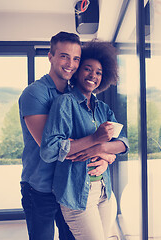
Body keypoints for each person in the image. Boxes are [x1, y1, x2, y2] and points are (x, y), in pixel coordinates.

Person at [18, 32, 110, 240]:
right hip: (40, 187)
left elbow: (82, 140)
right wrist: (96, 145)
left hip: (69, 186)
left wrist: (106, 157)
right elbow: (51, 148)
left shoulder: (77, 94)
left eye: (76, 58)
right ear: (50, 56)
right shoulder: (35, 93)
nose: (70, 64)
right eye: (64, 56)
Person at [40, 40, 129, 240]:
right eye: (88, 69)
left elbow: (123, 143)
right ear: (78, 71)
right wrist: (94, 138)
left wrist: (101, 151)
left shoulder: (103, 108)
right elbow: (49, 150)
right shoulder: (65, 103)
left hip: (104, 192)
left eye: (98, 72)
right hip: (77, 195)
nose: (93, 75)